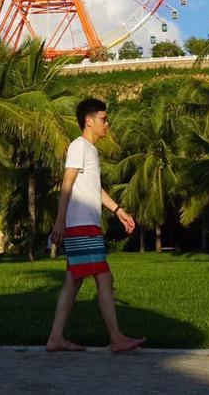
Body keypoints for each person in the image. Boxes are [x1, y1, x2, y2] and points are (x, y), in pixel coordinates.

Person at [46, 98, 146, 353]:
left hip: (85, 224)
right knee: (104, 277)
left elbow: (94, 189)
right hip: (81, 226)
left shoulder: (90, 150)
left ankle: (56, 338)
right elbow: (67, 183)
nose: (107, 123)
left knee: (74, 281)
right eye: (103, 118)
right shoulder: (79, 146)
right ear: (88, 121)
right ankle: (116, 338)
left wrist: (119, 210)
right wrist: (60, 222)